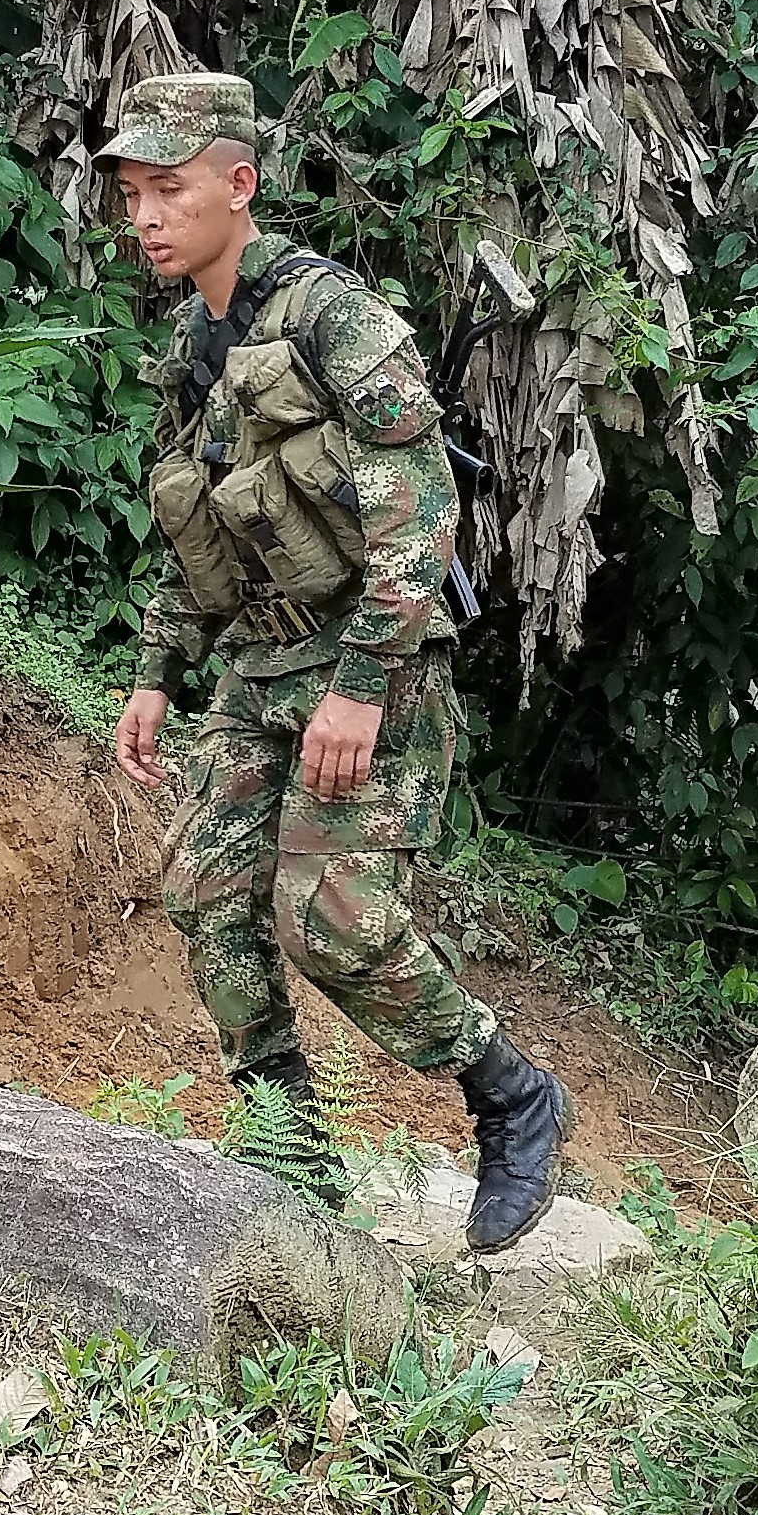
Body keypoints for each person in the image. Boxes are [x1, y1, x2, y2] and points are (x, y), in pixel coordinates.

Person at [104, 68, 572, 1256]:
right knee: (207, 890)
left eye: (169, 188)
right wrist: (159, 667)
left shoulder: (332, 315)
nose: (146, 216)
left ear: (239, 183)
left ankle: (512, 1092)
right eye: (133, 192)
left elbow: (423, 506)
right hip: (259, 666)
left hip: (372, 661)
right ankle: (290, 1145)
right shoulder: (193, 338)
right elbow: (198, 522)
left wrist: (362, 686)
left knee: (333, 919)